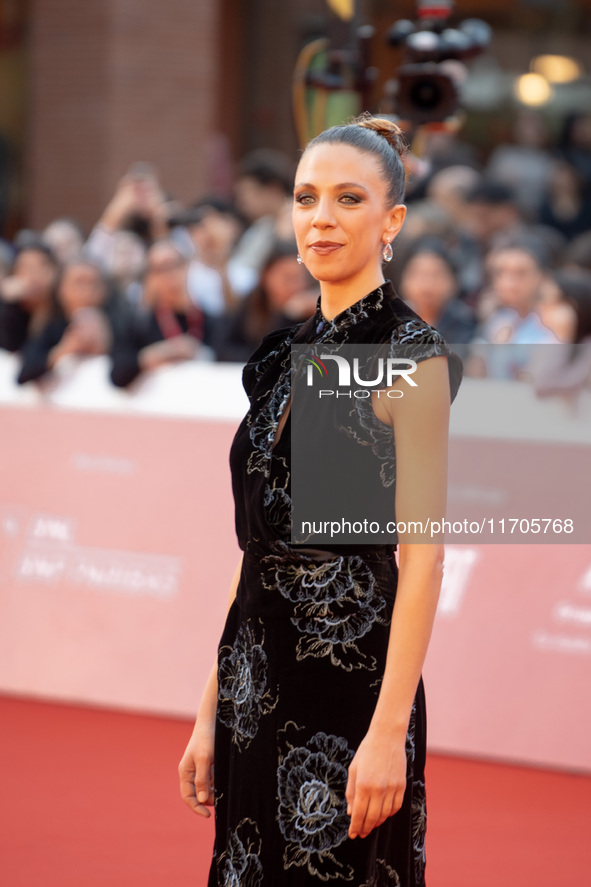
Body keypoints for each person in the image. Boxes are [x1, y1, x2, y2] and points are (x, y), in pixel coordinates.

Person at [178, 114, 462, 885]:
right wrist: (211, 704)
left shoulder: (408, 358)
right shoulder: (282, 357)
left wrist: (387, 732)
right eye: (306, 198)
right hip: (254, 678)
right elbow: (259, 555)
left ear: (391, 219)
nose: (320, 219)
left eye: (347, 199)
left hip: (350, 689)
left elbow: (424, 559)